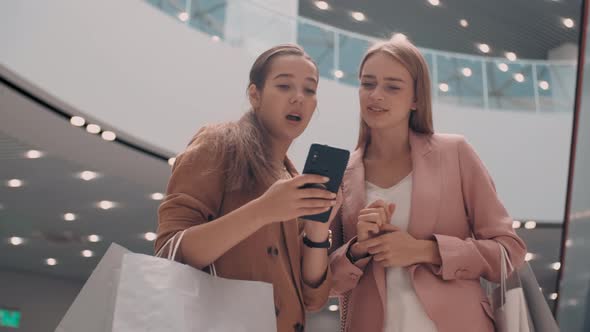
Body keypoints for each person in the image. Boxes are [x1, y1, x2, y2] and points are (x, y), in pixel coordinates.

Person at [328, 35, 527, 332]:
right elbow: (324, 283)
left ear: (416, 99)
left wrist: (424, 251)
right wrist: (358, 250)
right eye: (368, 84)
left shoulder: (455, 152)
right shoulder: (341, 172)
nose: (376, 95)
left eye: (392, 87)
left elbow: (509, 251)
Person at [156, 44, 339, 332]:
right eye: (284, 86)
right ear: (255, 94)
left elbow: (313, 299)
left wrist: (317, 233)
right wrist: (263, 211)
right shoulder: (220, 144)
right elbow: (170, 252)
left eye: (310, 90)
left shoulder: (292, 179)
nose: (298, 98)